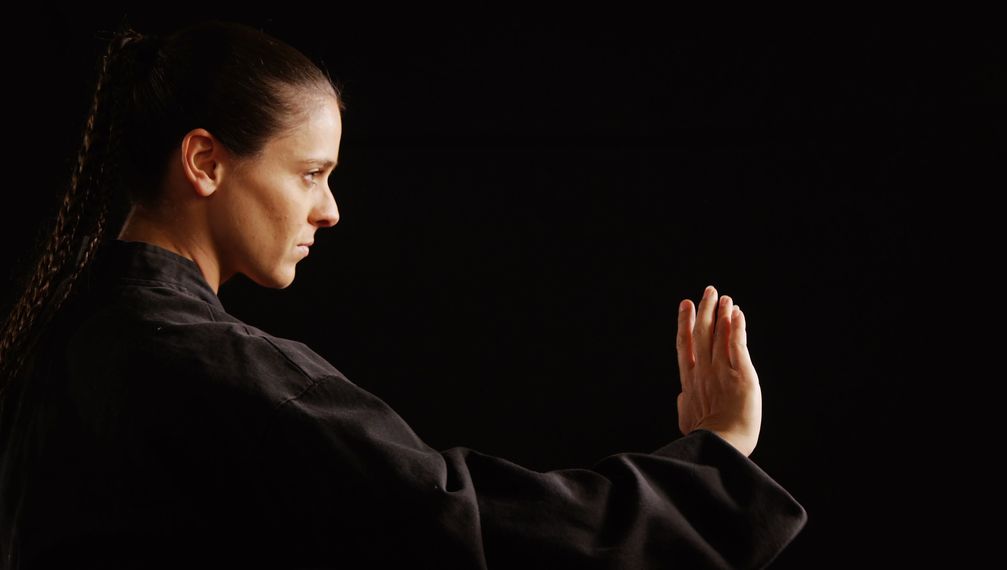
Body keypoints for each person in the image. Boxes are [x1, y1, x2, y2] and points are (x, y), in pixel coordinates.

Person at [0, 19, 806, 568]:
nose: (331, 208)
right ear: (205, 162)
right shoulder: (209, 370)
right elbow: (464, 528)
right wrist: (716, 462)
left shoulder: (71, 338)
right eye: (311, 173)